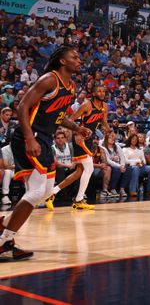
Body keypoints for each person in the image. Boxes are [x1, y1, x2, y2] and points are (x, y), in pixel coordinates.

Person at [0, 46, 91, 261]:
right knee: (36, 192)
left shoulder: (70, 86)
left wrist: (77, 128)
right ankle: (5, 240)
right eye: (74, 56)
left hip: (45, 139)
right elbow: (22, 106)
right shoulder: (49, 79)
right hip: (28, 136)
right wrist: (30, 138)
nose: (79, 60)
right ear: (62, 61)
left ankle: (5, 226)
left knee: (45, 191)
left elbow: (58, 117)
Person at [45, 84, 110, 210]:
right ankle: (79, 200)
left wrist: (109, 129)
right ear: (93, 93)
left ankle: (52, 193)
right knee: (89, 168)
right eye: (99, 91)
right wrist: (77, 132)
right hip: (80, 139)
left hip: (89, 139)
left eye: (103, 91)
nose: (102, 93)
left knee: (79, 172)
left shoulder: (105, 106)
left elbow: (104, 122)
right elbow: (71, 119)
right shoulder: (86, 105)